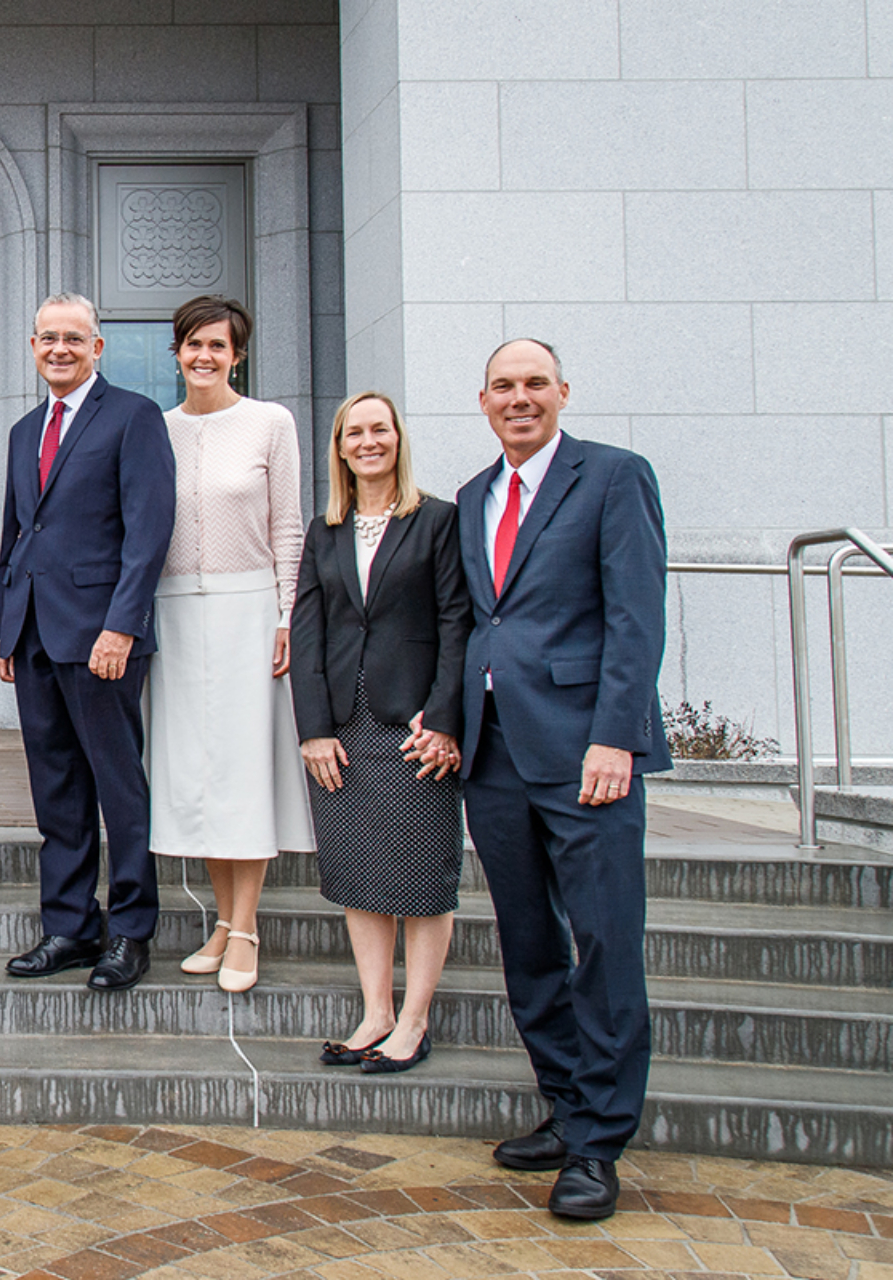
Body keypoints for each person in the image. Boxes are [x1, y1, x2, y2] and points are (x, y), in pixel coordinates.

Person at [457, 338, 667, 1222]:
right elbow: (479, 619)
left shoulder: (613, 478)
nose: (519, 398)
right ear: (484, 400)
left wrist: (615, 737)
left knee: (606, 944)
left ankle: (599, 1144)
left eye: (534, 384)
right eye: (504, 386)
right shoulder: (474, 496)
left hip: (587, 755)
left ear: (562, 392)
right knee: (530, 941)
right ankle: (566, 1104)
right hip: (495, 754)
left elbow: (636, 613)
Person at [0, 294, 176, 992]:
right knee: (57, 787)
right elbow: (16, 534)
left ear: (97, 347)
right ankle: (70, 923)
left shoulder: (133, 417)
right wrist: (11, 627)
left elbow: (149, 529)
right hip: (37, 632)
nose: (61, 349)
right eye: (49, 338)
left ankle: (131, 929)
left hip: (102, 634)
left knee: (117, 784)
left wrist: (121, 626)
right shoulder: (21, 430)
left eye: (75, 338)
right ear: (33, 346)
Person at [290, 391, 470, 1075]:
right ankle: (376, 1012)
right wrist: (313, 729)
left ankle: (416, 1019)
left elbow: (458, 624)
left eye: (380, 429)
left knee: (422, 876)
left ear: (398, 438)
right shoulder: (325, 530)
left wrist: (447, 717)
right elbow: (308, 634)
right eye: (354, 432)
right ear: (339, 448)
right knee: (359, 874)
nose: (368, 441)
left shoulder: (438, 522)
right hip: (343, 728)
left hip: (416, 726)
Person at [146, 294, 314, 994]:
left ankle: (246, 925)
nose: (204, 356)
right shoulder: (157, 429)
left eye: (218, 345)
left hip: (251, 612)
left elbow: (288, 527)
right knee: (198, 778)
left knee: (245, 772)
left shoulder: (271, 423)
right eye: (193, 345)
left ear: (237, 354)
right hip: (176, 612)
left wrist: (287, 617)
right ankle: (221, 919)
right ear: (178, 352)